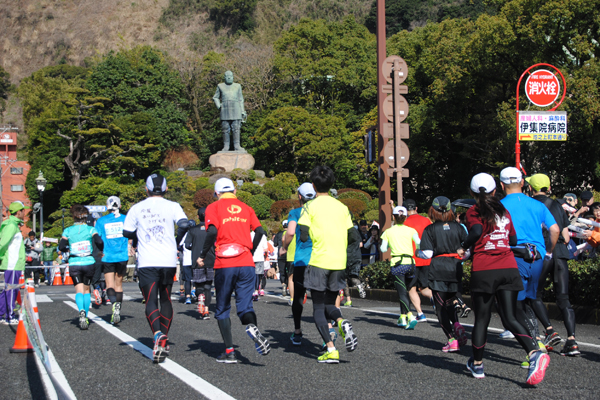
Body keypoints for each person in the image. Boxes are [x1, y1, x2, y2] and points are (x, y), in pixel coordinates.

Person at [462, 173, 550, 385]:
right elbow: (512, 239)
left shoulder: (474, 211)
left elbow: (475, 231)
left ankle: (478, 365)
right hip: (509, 267)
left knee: (482, 319)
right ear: (495, 191)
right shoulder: (504, 210)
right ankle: (534, 353)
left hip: (484, 269)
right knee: (510, 317)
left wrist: (464, 246)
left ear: (472, 193)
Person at [197, 178, 270, 363]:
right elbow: (260, 231)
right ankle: (252, 327)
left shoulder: (213, 207)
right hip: (246, 262)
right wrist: (251, 250)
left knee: (222, 308)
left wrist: (202, 254)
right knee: (245, 306)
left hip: (225, 263)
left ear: (216, 193)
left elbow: (212, 232)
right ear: (235, 191)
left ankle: (229, 351)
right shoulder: (246, 208)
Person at [123, 173, 190, 363]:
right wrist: (176, 242)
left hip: (147, 260)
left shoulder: (137, 208)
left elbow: (126, 231)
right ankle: (164, 338)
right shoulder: (173, 206)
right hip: (168, 259)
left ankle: (157, 334)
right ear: (166, 189)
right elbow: (184, 224)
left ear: (146, 189)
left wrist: (138, 234)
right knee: (166, 299)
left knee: (150, 300)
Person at [298, 165, 358, 363]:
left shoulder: (309, 206)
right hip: (339, 262)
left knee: (318, 307)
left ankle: (331, 348)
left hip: (319, 261)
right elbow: (353, 236)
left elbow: (304, 235)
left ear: (314, 186)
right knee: (331, 304)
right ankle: (341, 321)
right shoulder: (342, 207)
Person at [499, 167, 559, 357]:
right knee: (529, 300)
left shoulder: (499, 206)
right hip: (537, 257)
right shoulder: (538, 205)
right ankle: (537, 339)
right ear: (523, 183)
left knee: (515, 305)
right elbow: (555, 229)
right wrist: (548, 250)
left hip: (514, 256)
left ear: (501, 185)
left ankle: (534, 345)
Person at [526, 173, 580, 356]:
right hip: (561, 255)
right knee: (564, 299)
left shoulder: (529, 205)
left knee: (534, 295)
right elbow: (565, 236)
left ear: (531, 188)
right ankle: (572, 341)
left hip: (542, 253)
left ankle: (549, 331)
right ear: (548, 188)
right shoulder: (558, 205)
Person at [418, 196, 467, 352]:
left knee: (440, 306)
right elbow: (467, 250)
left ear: (433, 210)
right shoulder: (459, 227)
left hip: (439, 269)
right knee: (451, 301)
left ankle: (451, 339)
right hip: (456, 267)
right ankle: (458, 325)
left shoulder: (430, 229)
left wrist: (417, 252)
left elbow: (427, 253)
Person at [60, 205, 105, 330]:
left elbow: (61, 246)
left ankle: (81, 311)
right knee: (86, 290)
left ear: (73, 216)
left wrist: (69, 248)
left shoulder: (68, 231)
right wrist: (100, 251)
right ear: (86, 217)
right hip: (89, 262)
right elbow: (100, 242)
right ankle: (85, 315)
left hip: (74, 262)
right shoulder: (91, 229)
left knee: (78, 290)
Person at [282, 182, 317, 345]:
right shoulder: (321, 212)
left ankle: (297, 332)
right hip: (319, 259)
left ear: (299, 197)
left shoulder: (295, 212)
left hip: (302, 259)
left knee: (298, 297)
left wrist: (284, 247)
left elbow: (290, 232)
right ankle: (328, 331)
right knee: (320, 298)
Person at [380, 206, 420, 329]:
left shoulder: (388, 232)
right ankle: (402, 317)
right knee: (407, 290)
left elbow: (382, 249)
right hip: (411, 264)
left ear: (393, 217)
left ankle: (410, 315)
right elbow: (419, 243)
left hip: (397, 264)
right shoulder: (411, 230)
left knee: (402, 292)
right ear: (405, 217)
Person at [95, 196, 131, 325]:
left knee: (109, 285)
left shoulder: (101, 221)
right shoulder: (125, 219)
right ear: (120, 206)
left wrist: (100, 250)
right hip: (122, 255)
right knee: (119, 285)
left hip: (107, 255)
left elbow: (97, 238)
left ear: (107, 207)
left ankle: (114, 305)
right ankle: (118, 309)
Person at [402, 198, 434, 322]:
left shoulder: (404, 223)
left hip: (411, 260)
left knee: (411, 288)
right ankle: (434, 299)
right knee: (425, 287)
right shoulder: (427, 221)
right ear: (416, 209)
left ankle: (420, 314)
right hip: (427, 259)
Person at [0, 201, 28, 325]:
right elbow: (2, 243)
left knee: (6, 290)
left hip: (13, 263)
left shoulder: (13, 225)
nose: (24, 212)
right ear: (18, 212)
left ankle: (2, 315)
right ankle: (10, 317)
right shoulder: (11, 225)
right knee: (11, 290)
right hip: (12, 263)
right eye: (23, 210)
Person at [186, 208, 215, 320]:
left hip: (197, 260)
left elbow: (187, 245)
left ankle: (200, 297)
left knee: (199, 285)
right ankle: (206, 310)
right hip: (210, 260)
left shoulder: (193, 230)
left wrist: (195, 246)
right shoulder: (212, 229)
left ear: (198, 217)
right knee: (208, 286)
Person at [213, 70, 247, 152]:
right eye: (227, 76)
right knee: (225, 128)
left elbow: (240, 99)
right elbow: (215, 97)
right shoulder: (220, 86)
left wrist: (242, 111)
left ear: (233, 77)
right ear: (224, 77)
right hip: (225, 109)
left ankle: (237, 145)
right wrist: (219, 106)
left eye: (230, 76)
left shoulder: (237, 86)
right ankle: (226, 146)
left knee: (236, 128)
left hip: (236, 109)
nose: (229, 77)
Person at [273, 221, 290, 296]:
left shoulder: (279, 234)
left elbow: (275, 244)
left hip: (281, 255)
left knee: (282, 271)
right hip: (290, 255)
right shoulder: (292, 234)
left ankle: (283, 284)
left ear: (283, 226)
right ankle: (289, 287)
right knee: (289, 272)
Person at [251, 230, 268, 301]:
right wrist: (265, 256)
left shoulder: (249, 234)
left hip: (250, 257)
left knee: (251, 275)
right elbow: (266, 249)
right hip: (260, 258)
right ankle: (256, 291)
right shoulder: (263, 236)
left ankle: (250, 291)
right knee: (258, 275)